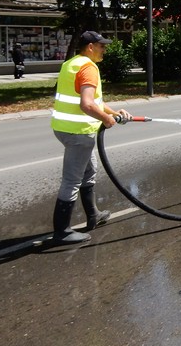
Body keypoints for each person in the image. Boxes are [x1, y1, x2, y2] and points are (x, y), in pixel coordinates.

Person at [50, 31, 131, 244]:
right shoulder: (88, 68)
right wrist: (105, 119)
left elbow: (93, 100)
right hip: (79, 132)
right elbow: (86, 104)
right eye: (101, 46)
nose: (104, 49)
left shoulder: (71, 64)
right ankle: (62, 231)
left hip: (63, 128)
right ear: (90, 47)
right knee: (72, 180)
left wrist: (112, 113)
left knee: (89, 171)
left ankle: (93, 214)